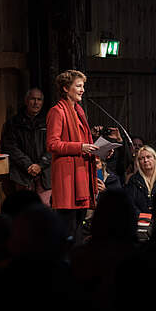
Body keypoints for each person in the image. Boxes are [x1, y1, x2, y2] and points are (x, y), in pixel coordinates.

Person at [46, 70, 98, 244]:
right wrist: (80, 147)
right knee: (68, 228)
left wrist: (99, 151)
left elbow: (84, 142)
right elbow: (52, 144)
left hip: (81, 175)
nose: (82, 90)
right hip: (68, 179)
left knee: (78, 227)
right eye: (78, 86)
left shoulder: (79, 111)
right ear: (66, 88)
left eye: (83, 86)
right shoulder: (57, 112)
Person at [0, 88, 52, 206]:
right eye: (33, 99)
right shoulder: (14, 122)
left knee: (45, 209)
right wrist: (28, 165)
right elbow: (10, 147)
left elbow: (53, 147)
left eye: (39, 99)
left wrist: (40, 165)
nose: (36, 103)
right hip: (22, 175)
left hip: (45, 175)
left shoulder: (49, 121)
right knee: (24, 210)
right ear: (26, 100)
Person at [124, 145, 156, 241]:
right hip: (141, 222)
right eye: (141, 158)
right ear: (138, 162)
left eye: (148, 157)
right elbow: (130, 203)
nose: (145, 160)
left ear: (155, 159)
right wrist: (144, 218)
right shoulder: (134, 180)